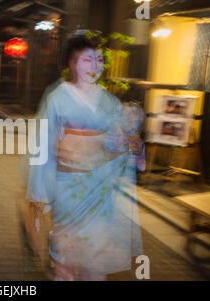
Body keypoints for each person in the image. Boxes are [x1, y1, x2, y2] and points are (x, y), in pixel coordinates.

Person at [25, 35, 144, 281]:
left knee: (95, 260)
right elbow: (43, 145)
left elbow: (118, 141)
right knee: (65, 256)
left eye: (98, 60)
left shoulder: (110, 102)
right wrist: (38, 193)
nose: (94, 66)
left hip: (100, 190)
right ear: (72, 63)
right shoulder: (57, 97)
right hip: (67, 187)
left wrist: (135, 146)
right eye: (87, 60)